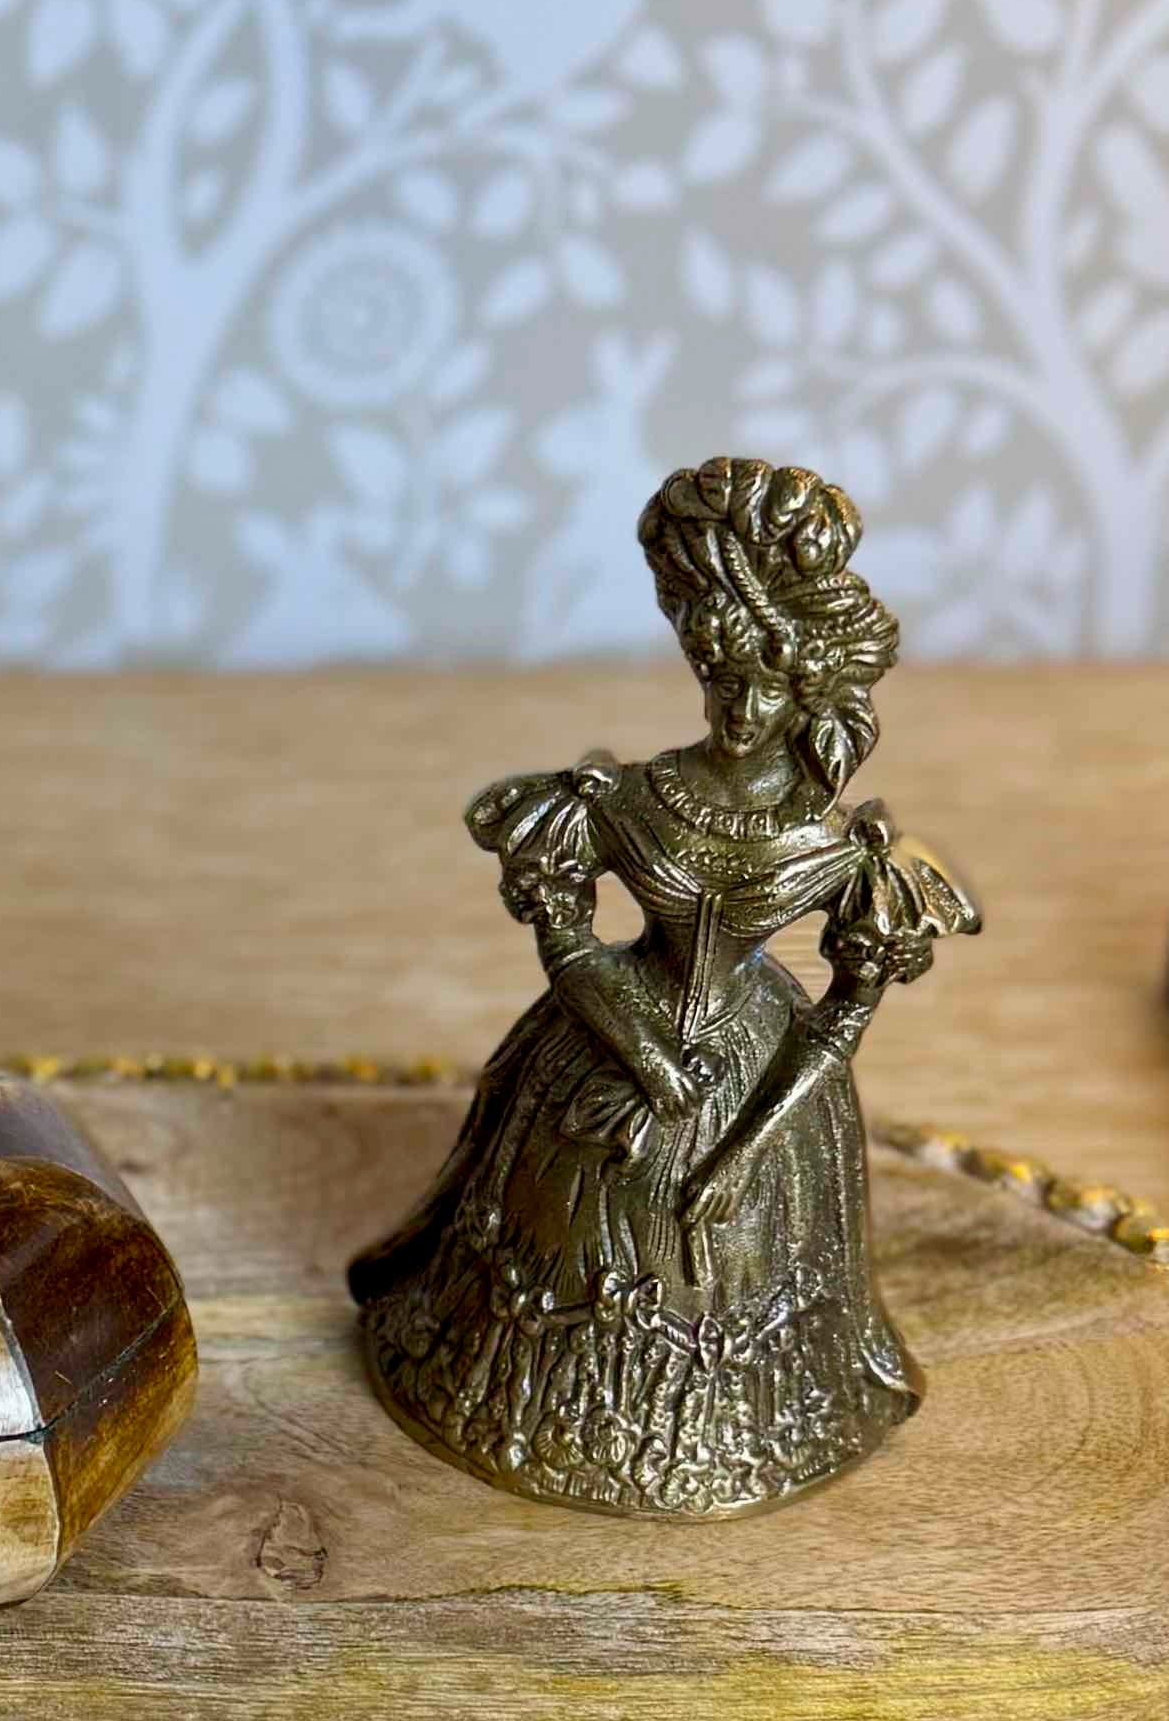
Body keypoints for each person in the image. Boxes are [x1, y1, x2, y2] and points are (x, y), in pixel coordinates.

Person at [350, 455, 980, 1519]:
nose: (732, 707)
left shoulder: (843, 849)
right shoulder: (625, 796)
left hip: (762, 1084)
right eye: (714, 676)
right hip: (598, 1041)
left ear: (806, 688)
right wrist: (642, 1052)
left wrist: (738, 1152)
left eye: (761, 685)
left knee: (729, 1292)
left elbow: (837, 1021)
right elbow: (564, 936)